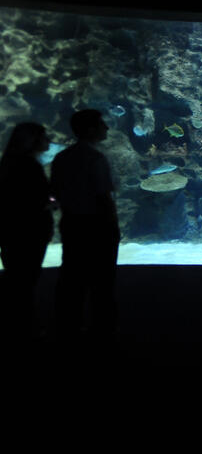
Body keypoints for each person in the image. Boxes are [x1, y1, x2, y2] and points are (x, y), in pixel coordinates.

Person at [50, 109, 120, 347]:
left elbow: (54, 194)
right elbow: (103, 196)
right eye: (102, 124)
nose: (106, 128)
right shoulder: (95, 158)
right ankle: (102, 332)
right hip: (97, 226)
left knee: (71, 276)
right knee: (102, 280)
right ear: (90, 129)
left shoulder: (61, 158)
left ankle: (66, 329)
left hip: (71, 223)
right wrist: (112, 225)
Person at [0, 122, 54, 343]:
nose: (49, 141)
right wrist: (51, 202)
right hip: (29, 233)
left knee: (16, 279)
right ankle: (23, 330)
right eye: (44, 137)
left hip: (12, 232)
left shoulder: (8, 163)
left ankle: (16, 327)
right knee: (24, 281)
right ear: (31, 140)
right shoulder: (27, 165)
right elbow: (34, 200)